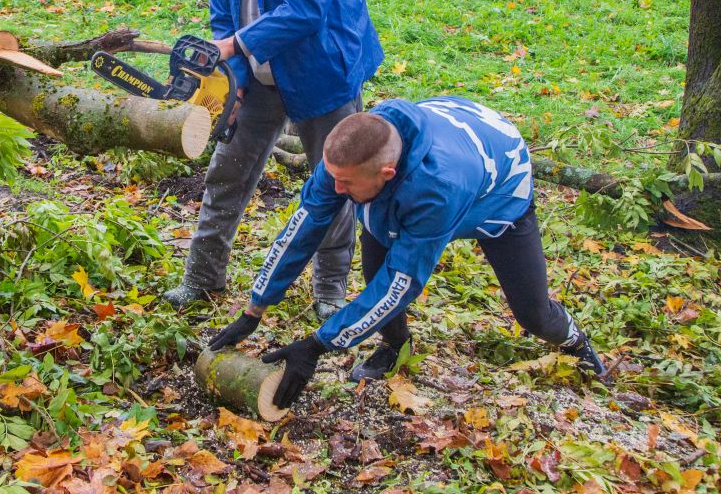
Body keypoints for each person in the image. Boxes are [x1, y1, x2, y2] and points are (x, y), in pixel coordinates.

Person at [208, 97, 608, 409]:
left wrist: (317, 346)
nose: (337, 190)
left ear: (385, 174)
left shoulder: (438, 190)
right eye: (333, 178)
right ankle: (395, 346)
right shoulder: (355, 147)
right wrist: (255, 308)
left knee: (532, 312)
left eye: (345, 183)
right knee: (376, 253)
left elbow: (401, 283)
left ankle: (575, 342)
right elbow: (303, 227)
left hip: (499, 193)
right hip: (447, 137)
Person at [162, 0, 383, 319]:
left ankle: (329, 289)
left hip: (321, 67)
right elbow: (223, 2)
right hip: (255, 69)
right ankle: (201, 277)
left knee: (335, 179)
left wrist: (235, 43)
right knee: (226, 171)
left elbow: (308, 6)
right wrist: (231, 70)